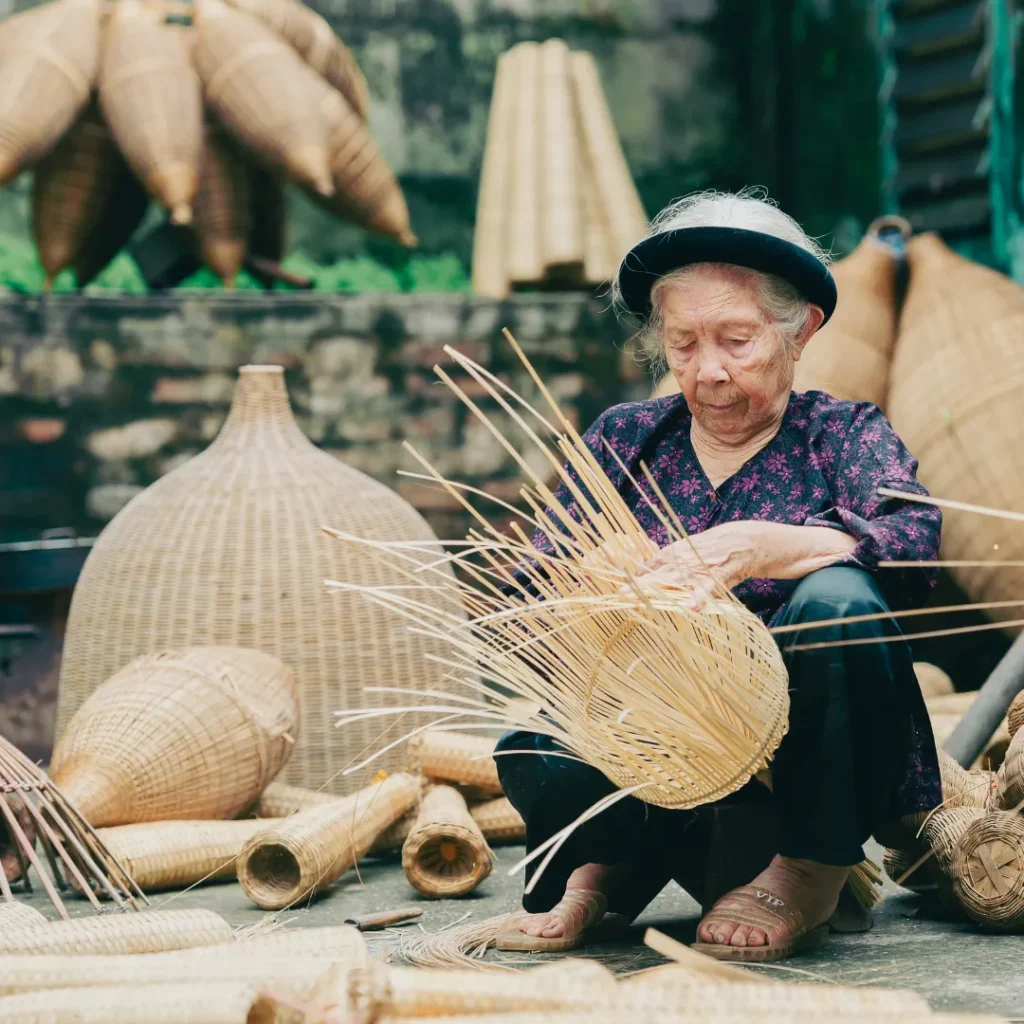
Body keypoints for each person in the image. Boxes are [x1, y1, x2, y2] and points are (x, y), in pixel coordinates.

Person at [492, 188, 943, 962]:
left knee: (838, 599)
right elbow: (531, 595)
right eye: (683, 343)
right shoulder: (626, 439)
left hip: (792, 774)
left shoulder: (841, 436)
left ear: (801, 330)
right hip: (654, 757)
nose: (709, 372)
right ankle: (608, 863)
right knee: (530, 748)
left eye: (736, 339)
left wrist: (772, 545)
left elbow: (915, 542)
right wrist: (591, 580)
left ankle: (809, 865)